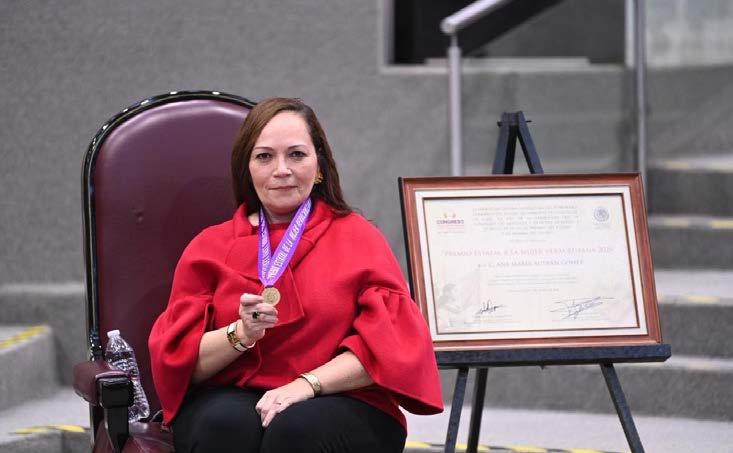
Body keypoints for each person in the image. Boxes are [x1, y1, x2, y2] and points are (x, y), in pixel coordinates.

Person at [148, 97, 443, 452]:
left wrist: (306, 385)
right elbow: (181, 364)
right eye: (264, 157)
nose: (282, 170)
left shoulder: (360, 238)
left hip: (343, 397)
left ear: (319, 165)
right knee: (223, 426)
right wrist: (241, 333)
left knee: (295, 430)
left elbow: (388, 350)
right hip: (232, 394)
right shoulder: (208, 247)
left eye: (296, 155)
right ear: (247, 168)